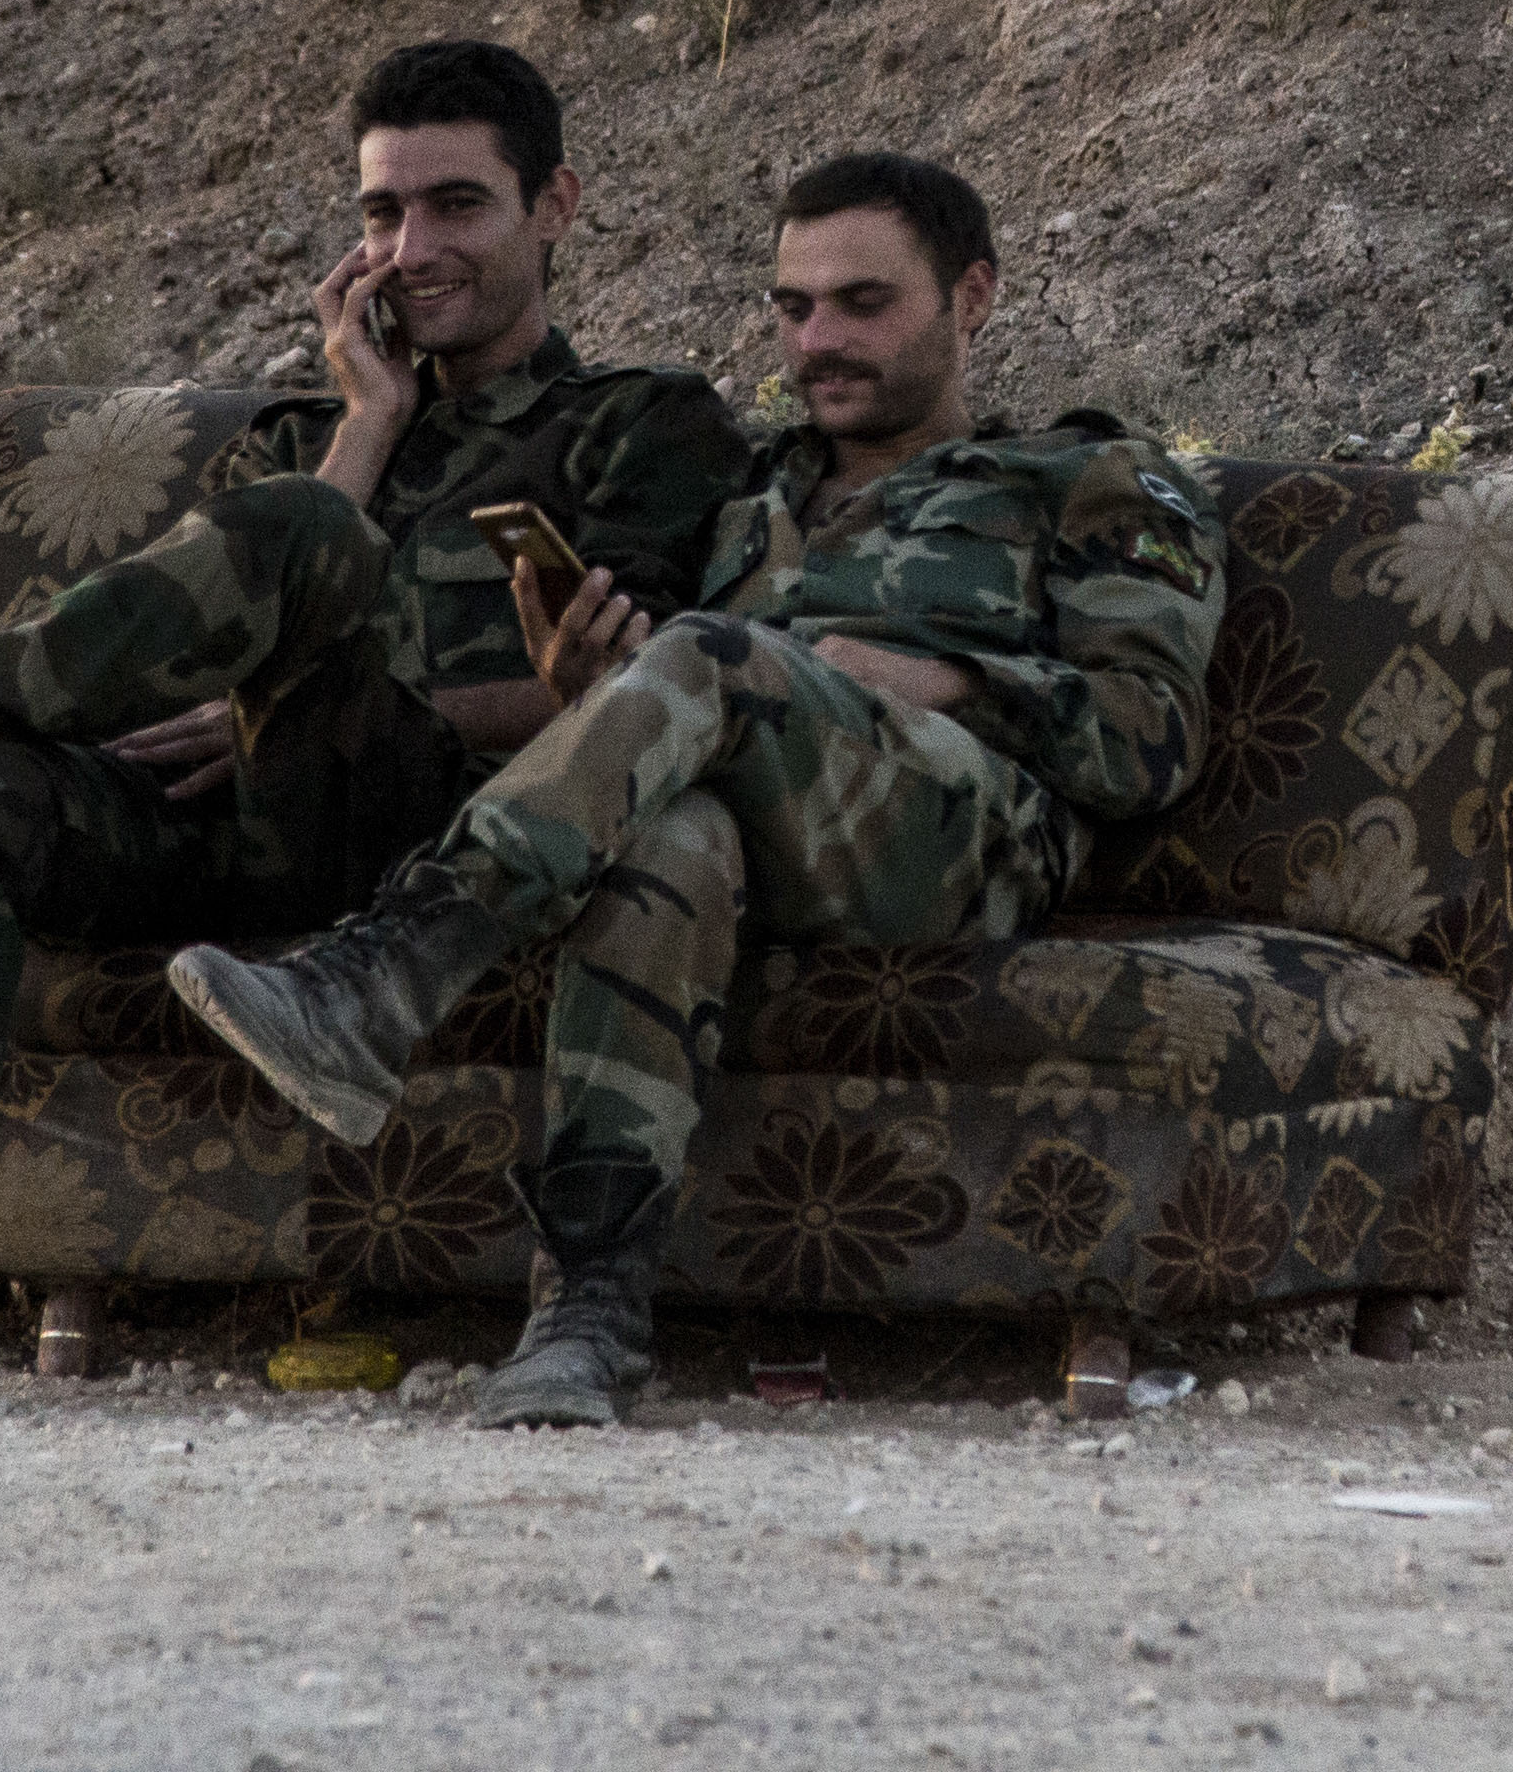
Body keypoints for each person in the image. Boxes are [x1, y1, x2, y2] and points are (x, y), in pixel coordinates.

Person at [0, 38, 749, 1418]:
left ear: (555, 208)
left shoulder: (646, 424)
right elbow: (191, 628)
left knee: (291, 549)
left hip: (444, 841)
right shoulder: (303, 438)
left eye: (456, 206)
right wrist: (363, 431)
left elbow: (640, 697)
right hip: (229, 824)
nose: (411, 248)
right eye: (380, 214)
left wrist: (322, 691)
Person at [168, 149, 1219, 1428]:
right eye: (791, 309)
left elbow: (1152, 738)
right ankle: (586, 1313)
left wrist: (940, 679)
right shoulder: (749, 493)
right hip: (762, 831)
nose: (817, 340)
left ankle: (384, 976)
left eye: (862, 304)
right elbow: (676, 701)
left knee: (721, 660)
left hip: (967, 842)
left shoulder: (1086, 478)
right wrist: (588, 684)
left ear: (974, 297)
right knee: (674, 835)